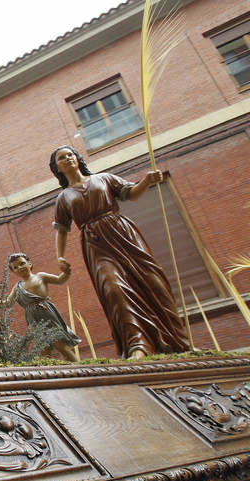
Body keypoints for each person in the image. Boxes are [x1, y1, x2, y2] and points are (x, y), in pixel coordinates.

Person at [50, 145, 188, 359]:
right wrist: (60, 256)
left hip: (123, 234)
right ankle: (138, 345)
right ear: (56, 167)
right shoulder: (63, 197)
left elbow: (130, 193)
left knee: (154, 283)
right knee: (113, 289)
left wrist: (146, 182)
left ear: (77, 158)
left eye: (70, 154)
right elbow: (61, 229)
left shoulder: (104, 178)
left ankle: (177, 342)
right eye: (61, 158)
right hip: (96, 244)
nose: (67, 158)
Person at [3, 253, 80, 362]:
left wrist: (66, 272)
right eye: (15, 267)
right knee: (43, 347)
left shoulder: (40, 276)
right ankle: (50, 373)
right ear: (13, 272)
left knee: (59, 344)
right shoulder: (17, 287)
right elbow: (8, 303)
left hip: (47, 312)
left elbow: (59, 279)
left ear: (29, 263)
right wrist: (0, 303)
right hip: (32, 318)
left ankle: (78, 367)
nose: (19, 267)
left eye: (22, 263)